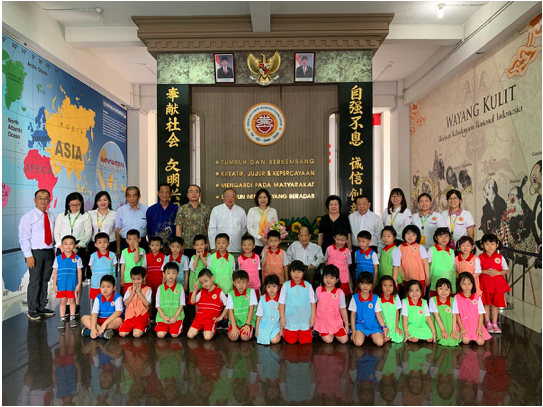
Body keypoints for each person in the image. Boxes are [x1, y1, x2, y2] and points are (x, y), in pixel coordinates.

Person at [18, 189, 57, 320]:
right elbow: (23, 237)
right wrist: (28, 255)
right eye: (40, 198)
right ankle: (32, 309)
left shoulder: (51, 215)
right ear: (35, 200)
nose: (42, 200)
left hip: (49, 251)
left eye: (45, 198)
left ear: (49, 200)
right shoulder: (28, 217)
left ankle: (41, 306)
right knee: (35, 280)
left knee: (45, 280)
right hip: (35, 253)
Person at [54, 192, 92, 315]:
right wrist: (61, 246)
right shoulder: (62, 216)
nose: (75, 207)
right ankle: (65, 303)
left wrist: (77, 246)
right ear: (67, 204)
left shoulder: (85, 216)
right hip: (62, 249)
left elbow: (88, 233)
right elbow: (56, 233)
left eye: (78, 205)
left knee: (77, 277)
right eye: (72, 205)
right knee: (64, 276)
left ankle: (77, 303)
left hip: (78, 248)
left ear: (81, 204)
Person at [478, 234, 510, 334]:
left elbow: (505, 270)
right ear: (482, 245)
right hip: (485, 284)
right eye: (487, 244)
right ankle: (487, 322)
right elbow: (477, 270)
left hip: (497, 285)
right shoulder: (480, 257)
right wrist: (485, 271)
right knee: (486, 304)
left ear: (497, 245)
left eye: (492, 244)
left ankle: (495, 323)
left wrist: (498, 272)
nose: (490, 246)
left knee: (495, 304)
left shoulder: (500, 257)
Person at [279, 260, 316, 344]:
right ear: (290, 272)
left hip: (305, 319)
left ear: (303, 273)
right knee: (290, 341)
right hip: (290, 319)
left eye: (299, 272)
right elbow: (281, 302)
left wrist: (313, 318)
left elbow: (313, 302)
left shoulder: (308, 285)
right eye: (294, 271)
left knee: (306, 341)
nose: (296, 274)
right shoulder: (286, 285)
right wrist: (282, 317)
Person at [187, 268, 228, 340]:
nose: (204, 284)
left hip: (210, 321)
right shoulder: (201, 291)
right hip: (199, 320)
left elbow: (228, 305)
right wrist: (195, 291)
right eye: (202, 283)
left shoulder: (219, 291)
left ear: (212, 278)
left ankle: (206, 330)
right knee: (189, 335)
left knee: (207, 337)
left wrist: (221, 317)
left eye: (206, 281)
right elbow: (193, 301)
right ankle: (201, 329)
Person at [313, 265, 349, 344]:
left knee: (344, 340)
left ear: (337, 280)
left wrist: (346, 324)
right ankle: (322, 332)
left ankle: (333, 332)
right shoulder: (318, 290)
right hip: (322, 323)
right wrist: (312, 319)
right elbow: (313, 305)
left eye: (332, 278)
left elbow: (343, 309)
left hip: (335, 323)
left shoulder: (340, 293)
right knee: (329, 340)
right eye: (326, 277)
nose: (328, 280)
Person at [53, 235, 83, 330]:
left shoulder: (77, 258)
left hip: (72, 284)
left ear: (75, 245)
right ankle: (62, 319)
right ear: (62, 245)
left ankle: (72, 318)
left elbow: (79, 272)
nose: (68, 246)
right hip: (61, 284)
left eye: (71, 244)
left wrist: (79, 284)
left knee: (72, 301)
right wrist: (54, 285)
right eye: (65, 244)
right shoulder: (58, 258)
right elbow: (55, 272)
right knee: (63, 301)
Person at [348, 272, 385, 347]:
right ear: (358, 284)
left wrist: (384, 328)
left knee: (380, 343)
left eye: (368, 284)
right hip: (360, 326)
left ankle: (372, 335)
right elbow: (353, 315)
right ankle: (361, 335)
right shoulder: (355, 297)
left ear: (372, 285)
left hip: (373, 326)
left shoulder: (375, 298)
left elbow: (378, 314)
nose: (365, 286)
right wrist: (353, 330)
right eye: (362, 283)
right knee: (358, 343)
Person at [81, 275, 123, 339]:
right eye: (103, 287)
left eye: (108, 287)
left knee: (119, 321)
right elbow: (94, 313)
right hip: (100, 319)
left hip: (110, 320)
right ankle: (102, 332)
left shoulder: (117, 297)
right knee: (84, 318)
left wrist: (104, 324)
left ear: (114, 288)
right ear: (100, 288)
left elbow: (118, 312)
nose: (105, 289)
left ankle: (92, 330)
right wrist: (93, 329)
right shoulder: (98, 297)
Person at [454, 272, 491, 346]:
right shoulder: (456, 297)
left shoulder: (477, 298)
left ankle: (474, 335)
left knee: (481, 342)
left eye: (469, 284)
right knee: (465, 341)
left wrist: (479, 328)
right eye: (463, 284)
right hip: (463, 324)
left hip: (476, 325)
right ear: (459, 284)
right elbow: (456, 314)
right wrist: (461, 328)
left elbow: (480, 314)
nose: (466, 286)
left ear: (473, 284)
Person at [175, 184, 211, 259]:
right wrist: (179, 244)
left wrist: (209, 242)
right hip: (186, 245)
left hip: (201, 246)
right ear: (187, 195)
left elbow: (208, 227)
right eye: (191, 192)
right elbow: (179, 227)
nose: (194, 194)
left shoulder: (206, 208)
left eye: (196, 191)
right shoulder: (182, 209)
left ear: (200, 194)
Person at [208, 188, 247, 255]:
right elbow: (212, 229)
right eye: (227, 196)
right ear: (223, 198)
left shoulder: (241, 211)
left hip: (236, 247)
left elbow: (243, 229)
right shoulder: (216, 210)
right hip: (220, 249)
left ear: (236, 198)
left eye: (232, 196)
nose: (230, 198)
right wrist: (213, 247)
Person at [154, 262, 186, 338]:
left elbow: (182, 304)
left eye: (173, 273)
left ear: (177, 274)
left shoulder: (180, 287)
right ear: (164, 274)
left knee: (174, 335)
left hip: (176, 316)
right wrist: (163, 317)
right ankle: (166, 327)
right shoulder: (160, 288)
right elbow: (157, 305)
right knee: (160, 335)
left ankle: (174, 326)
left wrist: (175, 317)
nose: (171, 275)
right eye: (168, 273)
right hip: (163, 316)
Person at [116, 186, 149, 257]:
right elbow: (118, 230)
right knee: (127, 263)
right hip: (125, 243)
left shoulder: (146, 209)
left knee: (142, 263)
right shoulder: (121, 210)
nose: (131, 198)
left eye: (134, 196)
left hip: (141, 242)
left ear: (139, 196)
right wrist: (118, 247)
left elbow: (149, 228)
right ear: (126, 197)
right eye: (129, 196)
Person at [119, 267, 152, 338]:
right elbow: (126, 303)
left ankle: (146, 324)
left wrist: (139, 293)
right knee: (122, 334)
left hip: (141, 317)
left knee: (136, 335)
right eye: (133, 279)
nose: (136, 282)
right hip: (130, 316)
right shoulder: (129, 289)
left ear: (144, 278)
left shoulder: (147, 289)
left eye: (138, 279)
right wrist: (133, 293)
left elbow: (147, 304)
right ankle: (134, 327)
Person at [226, 270, 258, 341]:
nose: (241, 285)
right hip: (236, 322)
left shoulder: (251, 292)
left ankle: (248, 330)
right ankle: (236, 329)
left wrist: (247, 324)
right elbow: (230, 311)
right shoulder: (231, 294)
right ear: (234, 283)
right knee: (233, 337)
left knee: (244, 337)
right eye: (238, 282)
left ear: (248, 283)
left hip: (248, 321)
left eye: (244, 282)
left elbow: (251, 309)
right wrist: (234, 327)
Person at [429, 278, 461, 347]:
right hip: (438, 324)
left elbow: (454, 316)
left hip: (450, 324)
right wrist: (443, 330)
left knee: (454, 339)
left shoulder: (453, 300)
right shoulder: (433, 300)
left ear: (450, 291)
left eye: (447, 289)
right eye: (441, 289)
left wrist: (454, 331)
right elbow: (436, 316)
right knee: (443, 338)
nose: (444, 292)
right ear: (436, 289)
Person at [398, 225, 430, 292]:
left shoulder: (420, 247)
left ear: (417, 237)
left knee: (419, 295)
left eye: (413, 235)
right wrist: (400, 278)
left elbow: (425, 263)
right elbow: (398, 264)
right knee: (408, 295)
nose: (410, 237)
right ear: (404, 234)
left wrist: (428, 278)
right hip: (405, 278)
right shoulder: (400, 247)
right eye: (408, 234)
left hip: (419, 278)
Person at [247, 188, 278, 255]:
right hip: (255, 243)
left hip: (269, 244)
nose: (262, 199)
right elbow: (249, 228)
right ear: (257, 199)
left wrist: (268, 239)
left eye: (265, 197)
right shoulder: (252, 210)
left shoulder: (273, 211)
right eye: (260, 197)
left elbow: (275, 227)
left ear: (268, 198)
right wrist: (260, 238)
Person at [373, 275, 403, 343]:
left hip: (393, 322)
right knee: (384, 337)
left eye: (390, 285)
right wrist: (385, 327)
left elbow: (397, 312)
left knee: (399, 336)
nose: (388, 288)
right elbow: (378, 314)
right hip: (382, 323)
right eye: (385, 285)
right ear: (380, 287)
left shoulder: (396, 297)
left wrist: (396, 326)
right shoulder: (377, 298)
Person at [88, 232, 117, 300]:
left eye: (105, 242)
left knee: (110, 301)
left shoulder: (112, 255)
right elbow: (91, 267)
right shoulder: (93, 256)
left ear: (108, 243)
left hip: (109, 284)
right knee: (97, 301)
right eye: (99, 242)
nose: (102, 244)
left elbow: (114, 266)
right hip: (97, 284)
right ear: (95, 244)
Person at [428, 228, 456, 297]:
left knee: (449, 301)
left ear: (449, 238)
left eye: (446, 236)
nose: (443, 239)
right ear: (436, 237)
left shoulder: (451, 251)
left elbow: (454, 267)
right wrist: (427, 278)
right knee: (435, 300)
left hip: (450, 281)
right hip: (436, 281)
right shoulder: (432, 250)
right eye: (440, 236)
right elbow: (427, 265)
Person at [324, 229, 352, 295]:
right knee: (330, 294)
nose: (340, 242)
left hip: (343, 278)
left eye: (342, 240)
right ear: (334, 238)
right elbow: (325, 260)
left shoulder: (347, 252)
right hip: (331, 277)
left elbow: (348, 263)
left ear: (346, 240)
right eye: (338, 239)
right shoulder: (329, 249)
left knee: (343, 294)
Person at [255, 274, 282, 345]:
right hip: (265, 324)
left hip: (276, 324)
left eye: (274, 286)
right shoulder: (262, 299)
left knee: (274, 340)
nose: (271, 289)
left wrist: (282, 328)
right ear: (265, 288)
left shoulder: (281, 299)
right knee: (262, 339)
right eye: (269, 286)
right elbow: (259, 315)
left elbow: (284, 315)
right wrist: (257, 329)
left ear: (278, 287)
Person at [119, 229, 147, 294]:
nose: (132, 241)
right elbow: (123, 266)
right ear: (126, 240)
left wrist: (137, 248)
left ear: (139, 240)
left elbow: (136, 260)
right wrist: (122, 278)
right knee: (128, 295)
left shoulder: (141, 250)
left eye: (134, 239)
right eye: (130, 239)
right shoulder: (124, 252)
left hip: (139, 279)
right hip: (127, 279)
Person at [188, 234, 209, 305]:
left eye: (202, 244)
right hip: (195, 282)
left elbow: (208, 266)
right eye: (197, 245)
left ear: (206, 245)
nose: (199, 247)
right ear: (194, 247)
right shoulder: (193, 257)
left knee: (204, 299)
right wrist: (197, 257)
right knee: (195, 300)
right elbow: (193, 268)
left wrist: (202, 257)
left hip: (205, 281)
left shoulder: (209, 256)